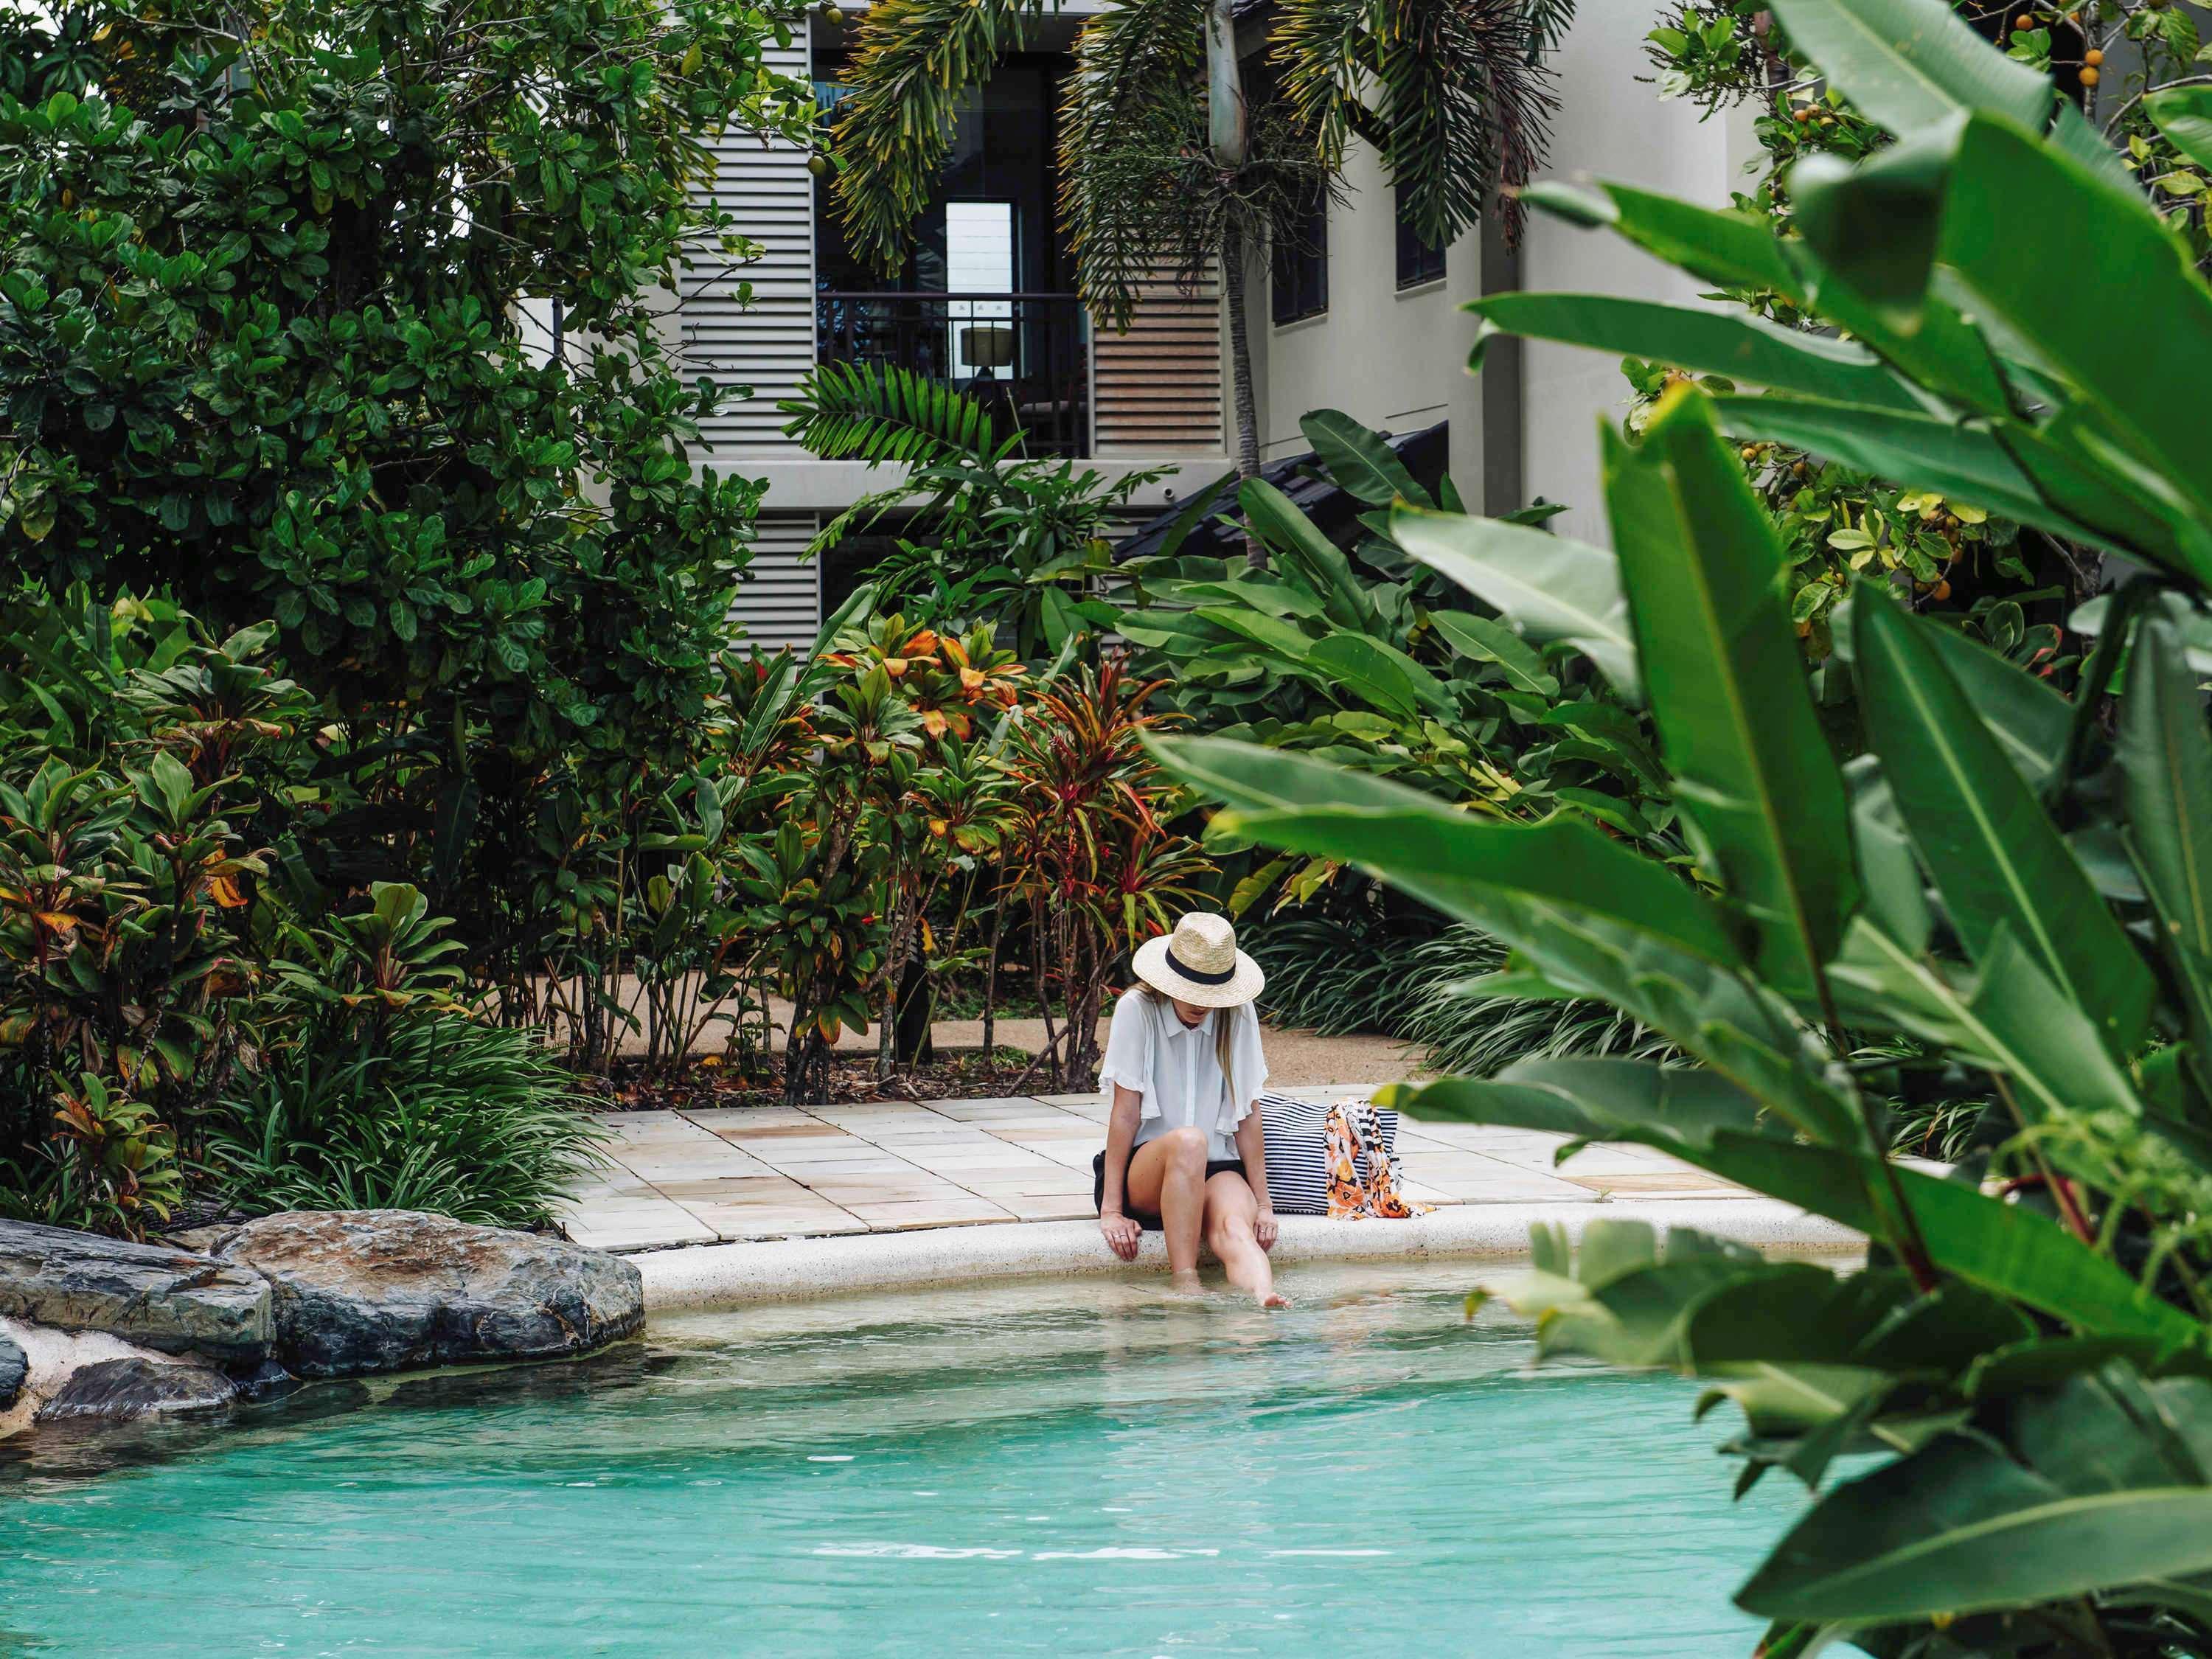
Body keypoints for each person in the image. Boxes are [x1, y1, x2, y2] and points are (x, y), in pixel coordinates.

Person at [1093, 911, 1288, 1307]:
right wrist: (1112, 1210)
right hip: (1148, 1172)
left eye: (1210, 994)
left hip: (1217, 1168)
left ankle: (1264, 1296)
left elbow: (1248, 1114)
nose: (1201, 1004)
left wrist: (1264, 1206)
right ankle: (1185, 1285)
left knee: (1236, 1225)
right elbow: (1125, 1113)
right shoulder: (1137, 1009)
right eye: (1191, 990)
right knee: (1189, 1141)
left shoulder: (1238, 1013)